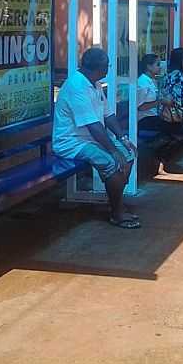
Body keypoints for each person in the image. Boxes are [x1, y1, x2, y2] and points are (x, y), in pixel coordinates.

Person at [52, 47, 140, 229]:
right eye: (107, 66)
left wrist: (123, 139)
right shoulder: (76, 86)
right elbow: (93, 127)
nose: (108, 69)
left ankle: (116, 201)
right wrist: (114, 151)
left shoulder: (95, 83)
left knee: (129, 155)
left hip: (90, 139)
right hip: (72, 142)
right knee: (112, 163)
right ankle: (117, 212)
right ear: (99, 68)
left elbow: (108, 115)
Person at [137, 54, 183, 140]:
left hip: (157, 116)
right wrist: (161, 101)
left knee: (180, 121)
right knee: (177, 128)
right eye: (157, 65)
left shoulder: (153, 80)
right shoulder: (142, 83)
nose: (160, 67)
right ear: (149, 66)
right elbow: (140, 107)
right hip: (145, 119)